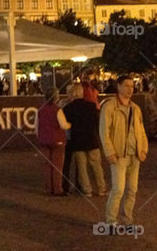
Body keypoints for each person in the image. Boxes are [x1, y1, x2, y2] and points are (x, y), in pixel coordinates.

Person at [99, 76, 148, 228]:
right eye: (126, 86)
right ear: (118, 87)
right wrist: (109, 151)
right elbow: (104, 131)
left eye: (132, 86)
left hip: (135, 154)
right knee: (118, 189)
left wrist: (144, 148)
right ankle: (111, 221)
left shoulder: (135, 108)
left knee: (132, 190)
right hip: (119, 154)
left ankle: (127, 219)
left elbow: (141, 130)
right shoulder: (110, 107)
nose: (130, 89)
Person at [61, 83, 107, 197]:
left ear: (72, 94)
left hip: (77, 141)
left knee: (82, 168)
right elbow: (98, 122)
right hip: (92, 140)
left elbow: (65, 125)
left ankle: (87, 190)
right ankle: (102, 188)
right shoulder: (91, 106)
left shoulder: (68, 108)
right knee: (97, 166)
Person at [35, 88, 68, 196]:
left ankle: (48, 188)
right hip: (57, 140)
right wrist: (69, 125)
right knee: (57, 166)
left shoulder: (40, 110)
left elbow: (36, 127)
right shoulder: (58, 110)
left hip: (44, 140)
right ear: (56, 97)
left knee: (47, 166)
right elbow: (63, 125)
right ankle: (57, 189)